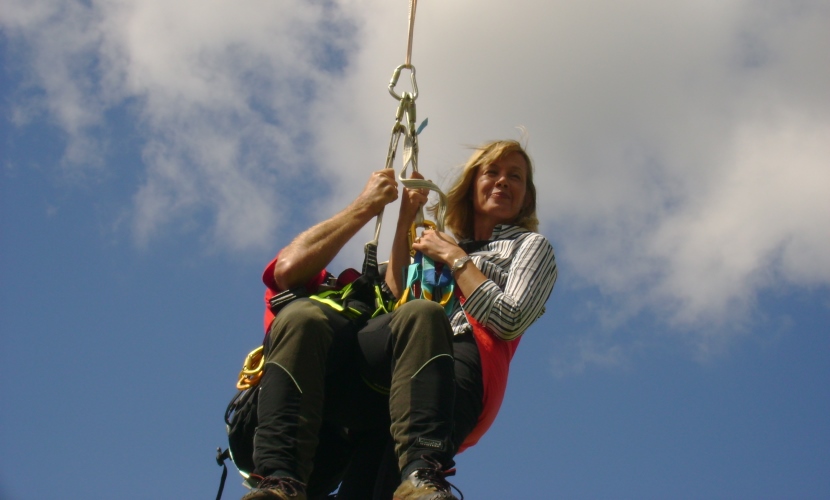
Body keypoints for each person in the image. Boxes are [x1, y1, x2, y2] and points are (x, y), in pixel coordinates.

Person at [246, 139, 557, 500]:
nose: (503, 181)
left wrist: (455, 259)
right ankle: (279, 483)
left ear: (526, 197)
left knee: (392, 473)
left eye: (515, 176)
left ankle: (422, 474)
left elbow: (510, 318)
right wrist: (405, 222)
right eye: (492, 172)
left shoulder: (529, 247)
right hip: (402, 363)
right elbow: (396, 299)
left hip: (462, 360)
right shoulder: (438, 243)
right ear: (472, 187)